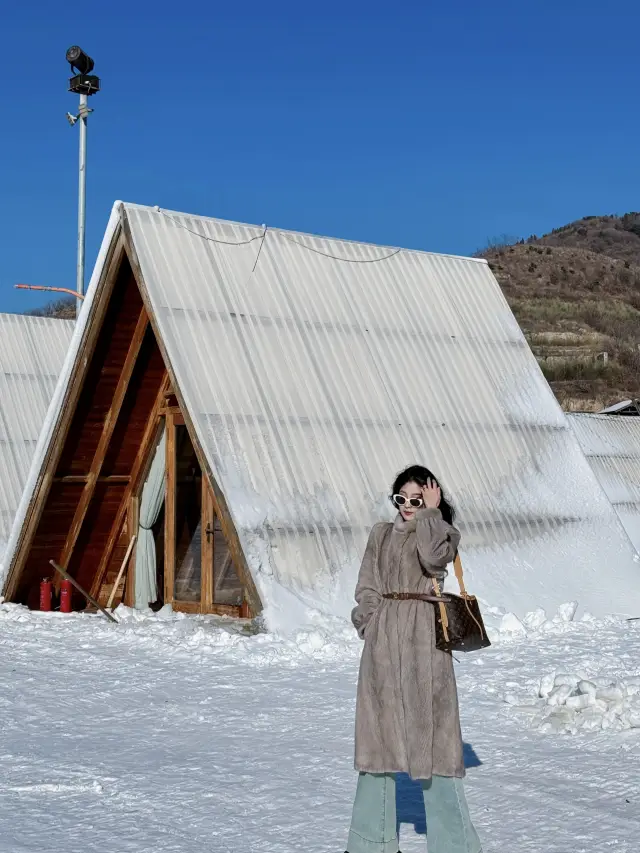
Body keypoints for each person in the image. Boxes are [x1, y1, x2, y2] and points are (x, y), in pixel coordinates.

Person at [345, 465, 482, 853]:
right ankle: (371, 845)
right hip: (383, 649)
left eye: (416, 499)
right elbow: (366, 584)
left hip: (425, 645)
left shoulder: (441, 532)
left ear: (430, 499)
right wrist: (368, 622)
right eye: (401, 499)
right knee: (377, 750)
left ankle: (455, 847)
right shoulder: (380, 533)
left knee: (436, 749)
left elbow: (434, 560)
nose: (407, 506)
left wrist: (430, 516)